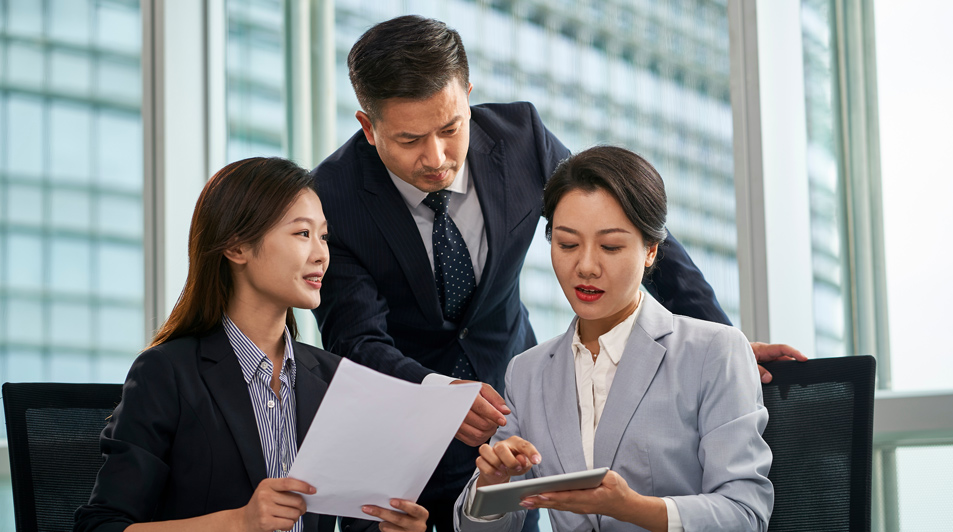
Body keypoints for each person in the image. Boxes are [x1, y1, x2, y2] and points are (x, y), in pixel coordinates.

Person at [311, 15, 796, 532]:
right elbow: (355, 338)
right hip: (395, 427)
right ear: (368, 126)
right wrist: (438, 393)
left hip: (504, 412)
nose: (437, 157)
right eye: (410, 140)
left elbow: (631, 222)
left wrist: (721, 335)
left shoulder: (520, 138)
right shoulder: (334, 197)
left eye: (451, 128)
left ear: (468, 96)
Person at [75, 158, 429, 532]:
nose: (322, 254)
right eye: (302, 234)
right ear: (237, 246)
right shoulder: (166, 373)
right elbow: (100, 527)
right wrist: (239, 522)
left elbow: (361, 522)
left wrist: (392, 528)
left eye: (323, 236)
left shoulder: (333, 378)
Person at [454, 146, 773, 532]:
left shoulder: (714, 352)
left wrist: (634, 508)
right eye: (567, 244)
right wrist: (493, 484)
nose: (585, 266)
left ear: (651, 250)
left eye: (610, 246)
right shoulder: (528, 371)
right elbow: (476, 527)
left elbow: (745, 514)